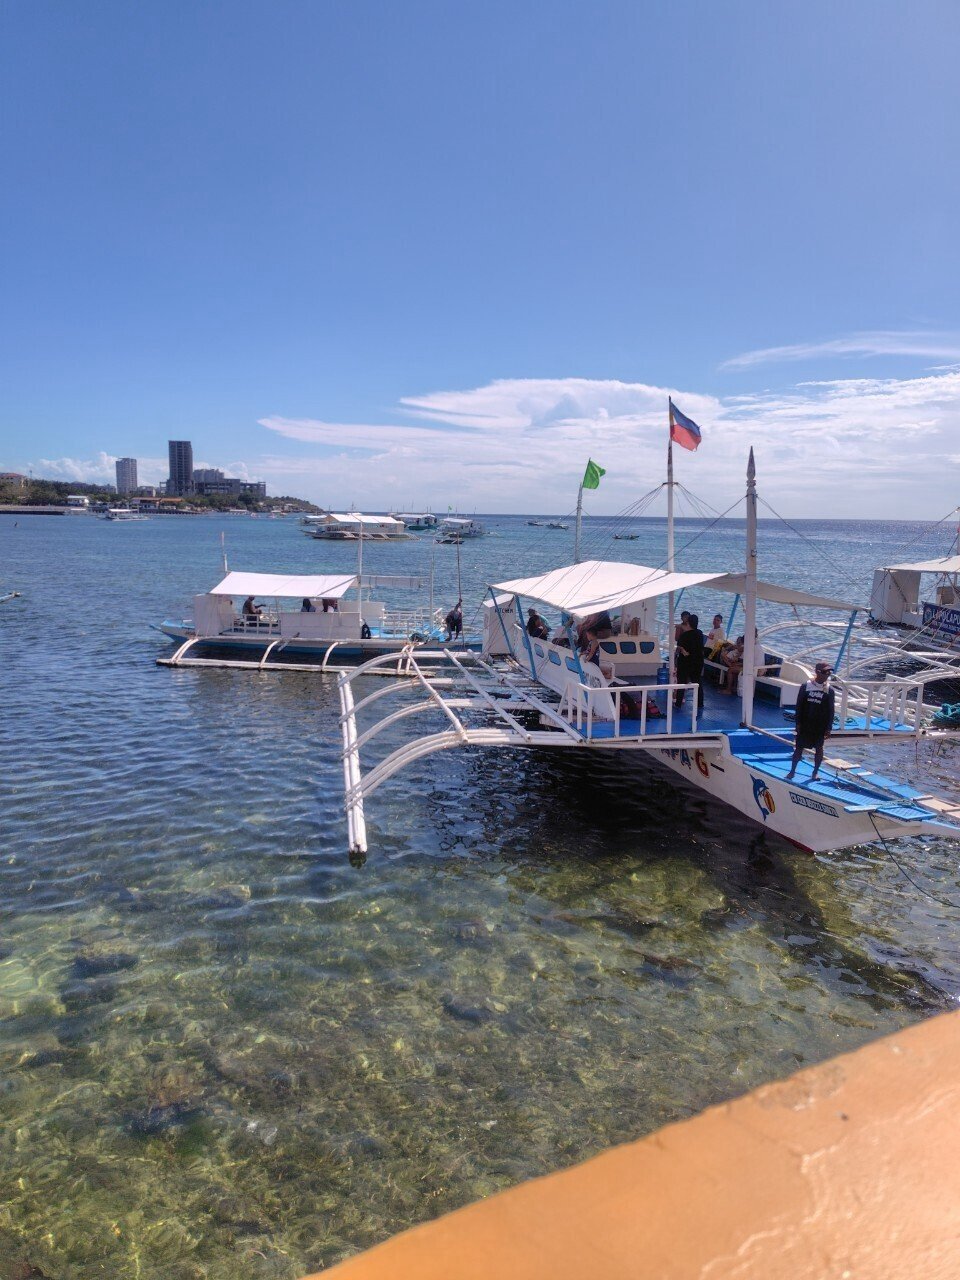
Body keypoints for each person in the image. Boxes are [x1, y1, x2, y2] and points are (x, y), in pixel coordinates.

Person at [786, 661, 836, 781]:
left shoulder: (830, 690)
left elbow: (831, 710)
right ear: (817, 672)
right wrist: (798, 723)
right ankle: (792, 771)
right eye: (825, 672)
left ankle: (815, 773)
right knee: (799, 748)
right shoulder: (806, 686)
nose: (828, 674)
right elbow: (799, 705)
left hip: (819, 725)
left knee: (819, 749)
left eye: (829, 672)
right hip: (805, 723)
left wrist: (829, 728)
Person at [674, 613, 705, 710]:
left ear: (688, 623)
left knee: (681, 682)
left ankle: (678, 703)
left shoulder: (685, 635)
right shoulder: (700, 634)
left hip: (686, 662)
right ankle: (700, 703)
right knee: (697, 682)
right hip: (698, 661)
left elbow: (679, 647)